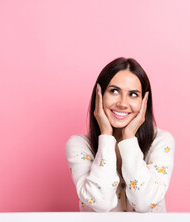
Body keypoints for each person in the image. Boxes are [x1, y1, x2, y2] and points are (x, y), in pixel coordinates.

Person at [65, 57, 175, 212]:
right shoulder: (79, 145)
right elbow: (100, 203)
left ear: (144, 101)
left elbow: (144, 203)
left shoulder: (161, 141)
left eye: (133, 94)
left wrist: (129, 137)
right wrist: (106, 135)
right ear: (100, 95)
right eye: (114, 91)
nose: (123, 103)